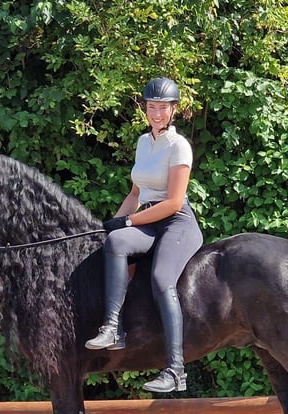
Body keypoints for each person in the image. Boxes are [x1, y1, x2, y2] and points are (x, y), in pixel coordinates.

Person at [85, 77, 204, 393]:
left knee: (161, 279)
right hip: (149, 221)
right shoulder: (143, 143)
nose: (156, 113)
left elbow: (174, 202)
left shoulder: (179, 146)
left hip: (177, 222)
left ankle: (176, 370)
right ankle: (113, 328)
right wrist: (114, 222)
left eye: (163, 108)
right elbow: (137, 191)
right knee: (115, 242)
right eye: (152, 107)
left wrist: (130, 221)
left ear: (173, 110)